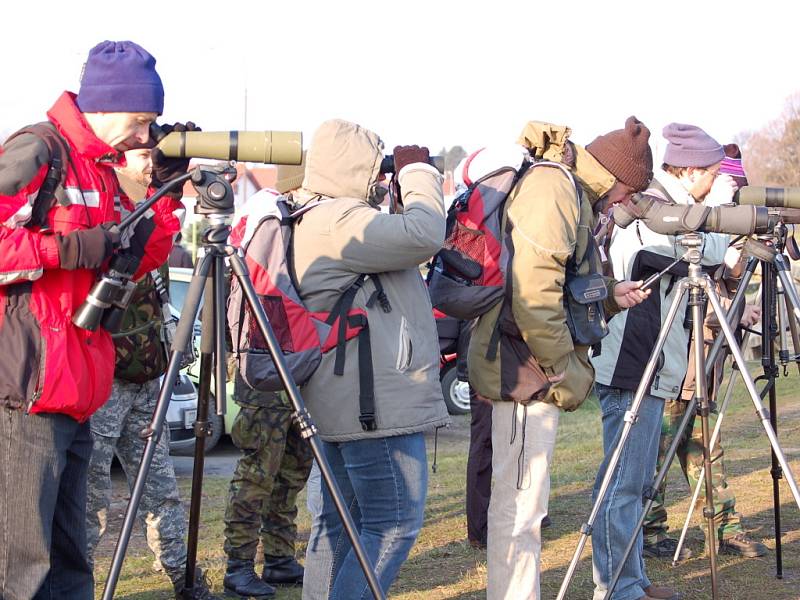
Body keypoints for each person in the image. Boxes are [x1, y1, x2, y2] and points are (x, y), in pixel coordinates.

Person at [0, 40, 184, 599]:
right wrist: (66, 248)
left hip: (78, 386)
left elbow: (136, 256)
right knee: (23, 566)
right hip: (28, 389)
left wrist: (163, 193)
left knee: (70, 559)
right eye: (141, 119)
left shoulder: (101, 172)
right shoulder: (37, 151)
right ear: (105, 106)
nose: (146, 135)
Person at [468, 118, 652, 600]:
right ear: (615, 179)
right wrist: (560, 371)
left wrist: (611, 296)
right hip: (524, 373)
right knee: (519, 513)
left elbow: (562, 287)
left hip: (528, 367)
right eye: (625, 194)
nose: (621, 206)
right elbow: (533, 296)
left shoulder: (568, 189)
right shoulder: (555, 189)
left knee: (526, 509)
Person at [290, 118, 450, 599]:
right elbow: (425, 233)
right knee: (393, 522)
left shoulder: (314, 216)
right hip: (371, 405)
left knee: (342, 524)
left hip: (348, 396)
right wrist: (418, 171)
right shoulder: (338, 219)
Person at [591, 123, 734, 600]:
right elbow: (708, 251)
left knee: (628, 481)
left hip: (649, 358)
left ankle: (630, 580)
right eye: (713, 175)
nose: (717, 182)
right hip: (634, 359)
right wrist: (724, 211)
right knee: (624, 484)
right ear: (690, 170)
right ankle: (619, 588)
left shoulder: (664, 205)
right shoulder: (651, 210)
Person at [84, 147, 220, 600]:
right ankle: (74, 584)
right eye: (142, 155)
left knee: (162, 492)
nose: (151, 166)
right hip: (105, 382)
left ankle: (185, 580)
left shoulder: (155, 218)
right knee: (90, 499)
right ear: (116, 162)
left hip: (146, 378)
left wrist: (170, 193)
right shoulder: (106, 215)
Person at [641, 143, 768, 560]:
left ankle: (723, 526)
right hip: (672, 357)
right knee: (655, 448)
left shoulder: (711, 220)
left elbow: (721, 283)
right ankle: (649, 529)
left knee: (707, 448)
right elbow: (686, 281)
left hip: (704, 357)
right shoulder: (672, 213)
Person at [222, 160, 314, 599]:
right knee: (258, 470)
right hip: (265, 363)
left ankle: (278, 557)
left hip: (287, 359)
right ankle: (238, 565)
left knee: (292, 468)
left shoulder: (277, 219)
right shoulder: (270, 222)